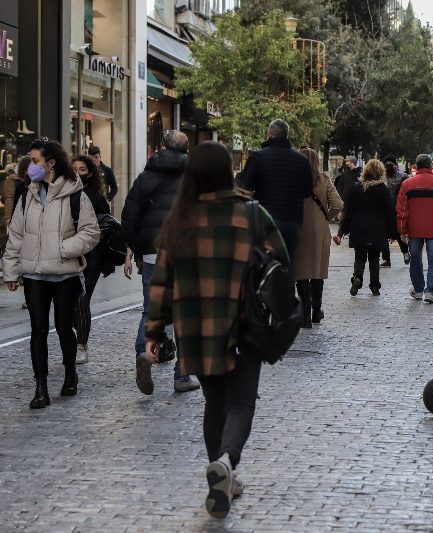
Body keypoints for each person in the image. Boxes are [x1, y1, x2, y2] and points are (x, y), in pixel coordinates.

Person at [143, 141, 289, 518]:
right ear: (228, 172)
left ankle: (220, 478)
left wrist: (155, 333)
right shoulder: (250, 214)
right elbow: (282, 261)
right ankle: (225, 464)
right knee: (241, 403)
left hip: (196, 328)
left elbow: (161, 283)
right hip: (244, 324)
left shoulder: (180, 219)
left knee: (215, 404)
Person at [2, 138, 101, 409]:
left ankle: (70, 373)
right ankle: (41, 387)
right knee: (38, 330)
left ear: (51, 163)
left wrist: (63, 248)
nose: (30, 166)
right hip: (34, 275)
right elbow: (17, 236)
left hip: (65, 274)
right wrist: (11, 271)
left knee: (63, 328)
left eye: (35, 161)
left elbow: (91, 232)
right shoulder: (27, 195)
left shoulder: (75, 195)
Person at [121, 130, 200, 394]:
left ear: (162, 147)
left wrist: (139, 249)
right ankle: (182, 376)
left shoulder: (145, 177)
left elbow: (129, 218)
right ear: (187, 149)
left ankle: (145, 354)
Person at [238, 119, 313, 262]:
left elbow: (244, 187)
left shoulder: (257, 157)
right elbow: (307, 191)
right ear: (287, 135)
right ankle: (287, 284)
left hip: (265, 220)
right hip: (293, 220)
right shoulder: (302, 160)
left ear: (269, 134)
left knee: (264, 264)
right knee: (288, 264)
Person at [396, 154, 433, 304]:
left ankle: (417, 289)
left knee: (415, 259)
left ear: (416, 166)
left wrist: (402, 230)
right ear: (430, 166)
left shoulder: (407, 184)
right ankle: (430, 291)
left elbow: (402, 210)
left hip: (414, 229)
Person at [294, 147, 343, 327]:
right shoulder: (324, 179)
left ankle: (305, 316)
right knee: (317, 270)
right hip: (319, 230)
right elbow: (338, 204)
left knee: (301, 271)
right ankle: (317, 312)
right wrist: (326, 217)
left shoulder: (293, 179)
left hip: (298, 227)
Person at [334, 159, 395, 296]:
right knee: (374, 258)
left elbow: (348, 211)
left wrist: (342, 231)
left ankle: (357, 278)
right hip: (377, 229)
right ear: (380, 173)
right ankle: (374, 286)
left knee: (359, 257)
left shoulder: (356, 188)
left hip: (359, 227)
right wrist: (392, 233)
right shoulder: (383, 190)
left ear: (366, 171)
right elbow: (389, 213)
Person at [71, 155, 111, 364]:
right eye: (74, 169)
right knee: (68, 303)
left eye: (82, 169)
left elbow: (107, 224)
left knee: (82, 298)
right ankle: (75, 335)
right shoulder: (62, 194)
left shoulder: (96, 196)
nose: (78, 173)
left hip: (92, 255)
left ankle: (81, 345)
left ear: (90, 173)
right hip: (67, 253)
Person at [380, 155, 410, 267]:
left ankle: (405, 253)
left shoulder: (403, 177)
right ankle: (386, 259)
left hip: (398, 210)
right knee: (383, 235)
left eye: (391, 164)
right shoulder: (381, 178)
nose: (388, 166)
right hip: (384, 210)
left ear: (395, 165)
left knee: (398, 233)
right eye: (386, 164)